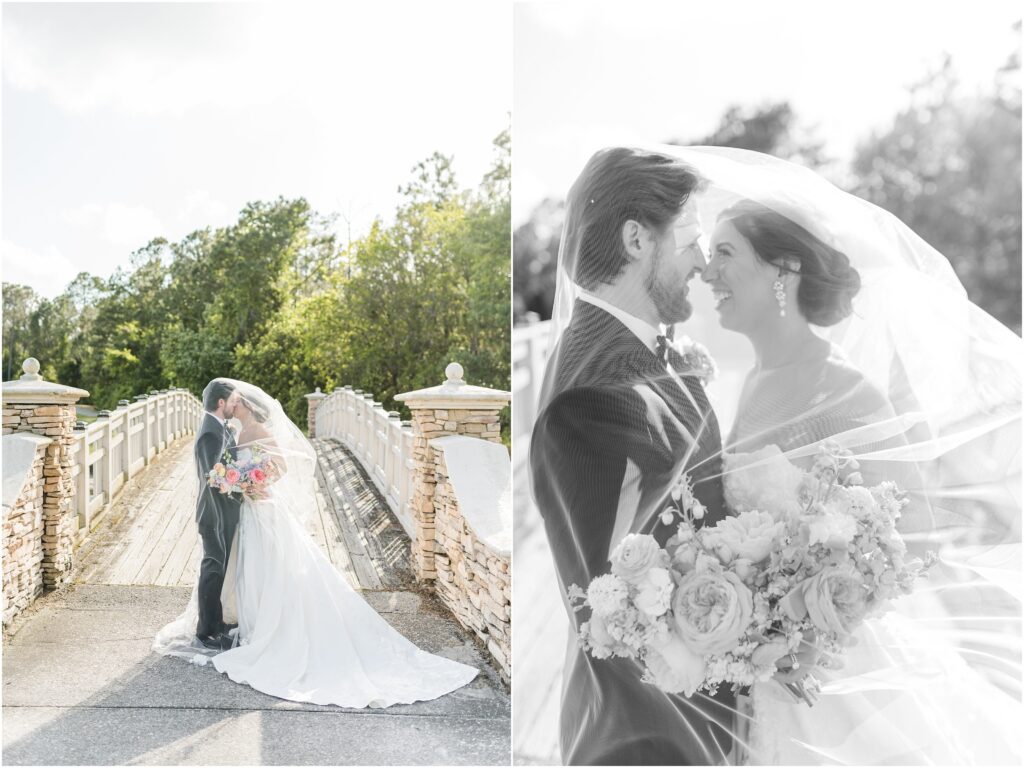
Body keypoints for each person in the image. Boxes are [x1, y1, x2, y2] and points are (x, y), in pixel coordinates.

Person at [531, 147, 739, 765]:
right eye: (691, 239)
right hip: (648, 738)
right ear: (635, 239)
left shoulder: (628, 352)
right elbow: (614, 609)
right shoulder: (596, 395)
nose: (704, 260)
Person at [154, 380, 478, 708]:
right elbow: (224, 472)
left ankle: (263, 628)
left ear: (247, 405)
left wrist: (252, 483)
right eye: (233, 400)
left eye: (239, 401)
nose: (235, 405)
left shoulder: (258, 431)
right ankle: (234, 625)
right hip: (240, 511)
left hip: (259, 508)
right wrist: (243, 482)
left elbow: (275, 467)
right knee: (248, 569)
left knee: (269, 567)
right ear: (226, 404)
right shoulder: (229, 431)